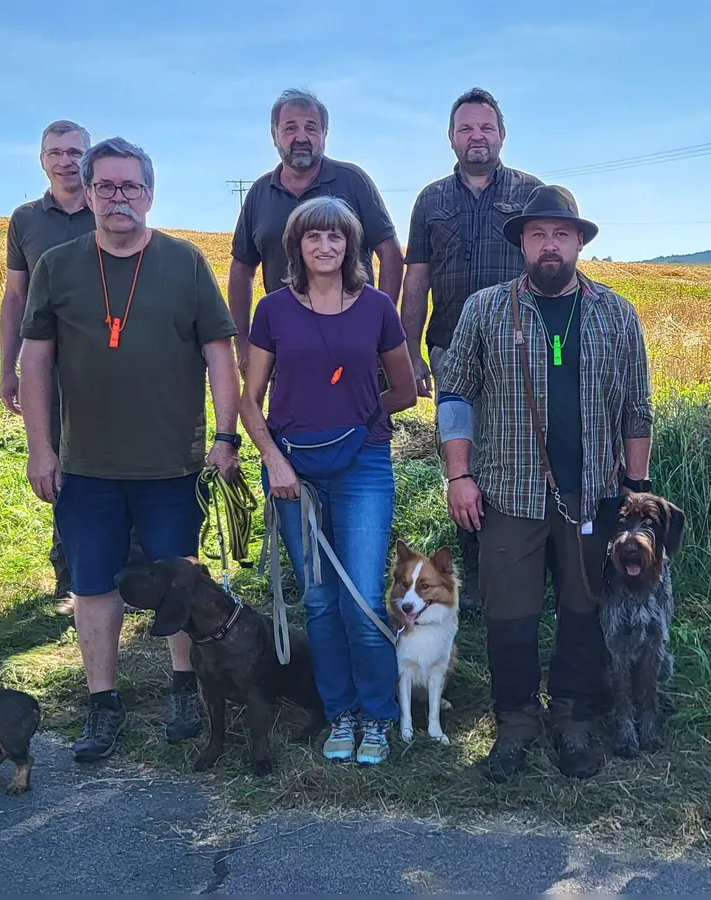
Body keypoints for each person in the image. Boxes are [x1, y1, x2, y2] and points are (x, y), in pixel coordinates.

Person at [17, 137, 242, 763]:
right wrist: (41, 448)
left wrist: (225, 435)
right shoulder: (57, 267)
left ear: (149, 193)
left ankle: (183, 687)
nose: (119, 198)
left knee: (180, 580)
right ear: (87, 193)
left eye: (131, 187)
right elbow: (35, 361)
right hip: (86, 464)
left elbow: (219, 354)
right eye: (107, 187)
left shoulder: (186, 263)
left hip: (171, 463)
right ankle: (102, 702)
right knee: (94, 585)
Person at [438, 185, 653, 782]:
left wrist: (633, 492)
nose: (550, 245)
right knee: (511, 616)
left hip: (593, 496)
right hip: (508, 493)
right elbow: (455, 394)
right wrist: (459, 474)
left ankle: (574, 722)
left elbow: (637, 408)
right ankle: (514, 726)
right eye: (538, 234)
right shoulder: (486, 310)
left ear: (579, 243)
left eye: (562, 234)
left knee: (583, 611)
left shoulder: (615, 313)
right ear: (523, 244)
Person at [239, 196, 418, 765]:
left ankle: (377, 716)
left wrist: (359, 416)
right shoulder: (272, 310)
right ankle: (338, 711)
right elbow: (250, 401)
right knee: (317, 599)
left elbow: (405, 390)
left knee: (362, 597)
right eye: (313, 237)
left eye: (336, 237)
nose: (325, 246)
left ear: (352, 246)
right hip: (294, 472)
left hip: (363, 463)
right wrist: (274, 460)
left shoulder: (377, 308)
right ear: (296, 246)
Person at [403, 87, 543, 611]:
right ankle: (476, 575)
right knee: (461, 462)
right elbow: (416, 279)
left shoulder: (530, 193)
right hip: (448, 350)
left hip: (517, 351)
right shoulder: (430, 200)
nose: (476, 137)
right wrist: (408, 352)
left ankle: (524, 567)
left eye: (486, 128)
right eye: (466, 128)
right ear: (451, 138)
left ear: (502, 135)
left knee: (515, 455)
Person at [0, 119, 142, 610]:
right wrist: (8, 367)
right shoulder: (25, 221)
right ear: (42, 160)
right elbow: (15, 296)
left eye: (75, 152)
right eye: (55, 152)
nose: (65, 161)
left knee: (128, 458)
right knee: (59, 463)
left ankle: (135, 570)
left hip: (113, 368)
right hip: (49, 365)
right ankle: (72, 570)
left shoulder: (111, 208)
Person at [228, 88, 404, 366]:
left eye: (311, 128)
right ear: (274, 135)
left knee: (367, 409)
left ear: (324, 134)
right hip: (285, 346)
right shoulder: (260, 193)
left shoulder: (353, 181)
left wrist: (380, 324)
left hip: (355, 344)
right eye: (290, 128)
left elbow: (391, 253)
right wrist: (243, 342)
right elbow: (241, 269)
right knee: (288, 410)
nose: (301, 137)